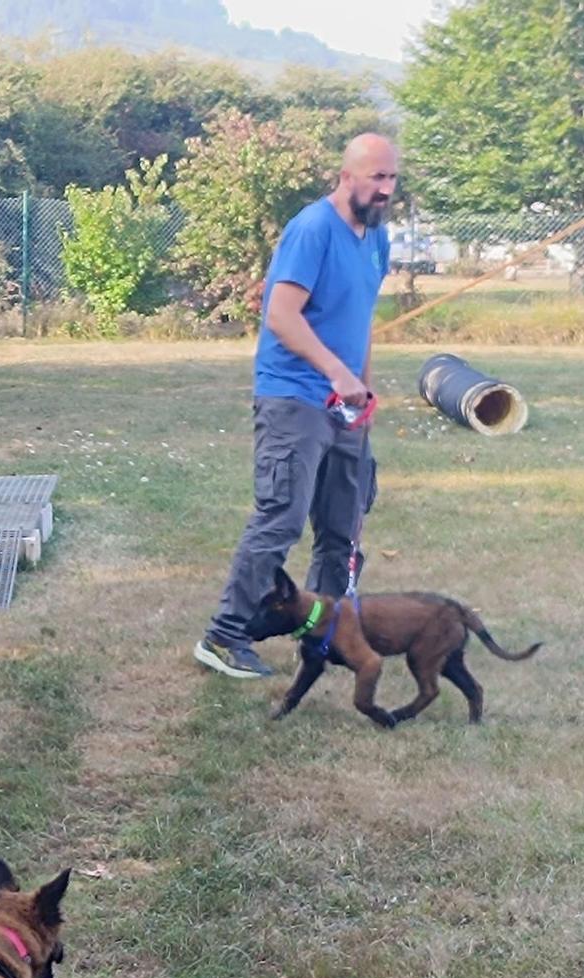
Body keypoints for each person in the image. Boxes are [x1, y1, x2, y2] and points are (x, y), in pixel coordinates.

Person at [194, 133, 398, 681]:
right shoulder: (313, 229)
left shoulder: (376, 240)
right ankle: (225, 634)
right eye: (375, 177)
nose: (384, 189)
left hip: (346, 406)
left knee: (342, 529)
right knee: (280, 518)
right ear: (346, 175)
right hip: (295, 398)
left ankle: (326, 632)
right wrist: (335, 372)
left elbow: (362, 325)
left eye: (391, 178)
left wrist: (366, 390)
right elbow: (281, 315)